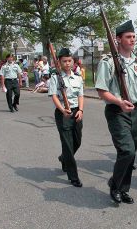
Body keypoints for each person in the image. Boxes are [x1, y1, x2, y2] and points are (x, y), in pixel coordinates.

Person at [95, 20, 137, 204]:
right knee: (127, 150)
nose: (132, 40)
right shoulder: (107, 62)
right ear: (118, 39)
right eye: (128, 37)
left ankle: (123, 188)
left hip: (135, 111)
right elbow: (101, 91)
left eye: (133, 37)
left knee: (132, 154)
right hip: (116, 111)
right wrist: (118, 102)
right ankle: (115, 184)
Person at [48, 48, 84, 188]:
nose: (67, 63)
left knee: (77, 141)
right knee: (68, 145)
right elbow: (54, 96)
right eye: (64, 61)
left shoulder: (78, 77)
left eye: (70, 61)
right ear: (59, 62)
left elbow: (80, 95)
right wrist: (63, 110)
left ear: (73, 62)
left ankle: (64, 158)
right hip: (63, 114)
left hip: (76, 112)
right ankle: (73, 176)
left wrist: (80, 110)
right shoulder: (55, 78)